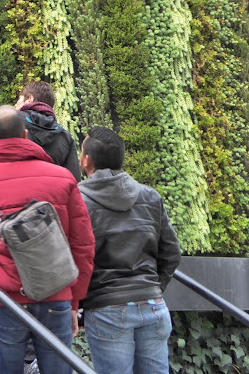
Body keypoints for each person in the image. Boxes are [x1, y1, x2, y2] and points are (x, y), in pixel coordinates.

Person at [0, 106, 95, 374]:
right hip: (55, 294)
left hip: (4, 299)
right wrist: (74, 302)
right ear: (25, 134)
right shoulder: (63, 178)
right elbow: (83, 245)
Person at [78, 127, 181, 374]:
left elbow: (77, 257)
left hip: (107, 306)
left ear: (87, 160)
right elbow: (171, 253)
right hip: (153, 304)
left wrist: (82, 300)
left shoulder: (79, 200)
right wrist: (152, 286)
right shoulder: (150, 196)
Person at [15, 81, 80, 180]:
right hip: (53, 193)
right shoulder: (64, 136)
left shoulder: (14, 125)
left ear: (30, 99)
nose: (16, 104)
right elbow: (74, 180)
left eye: (19, 99)